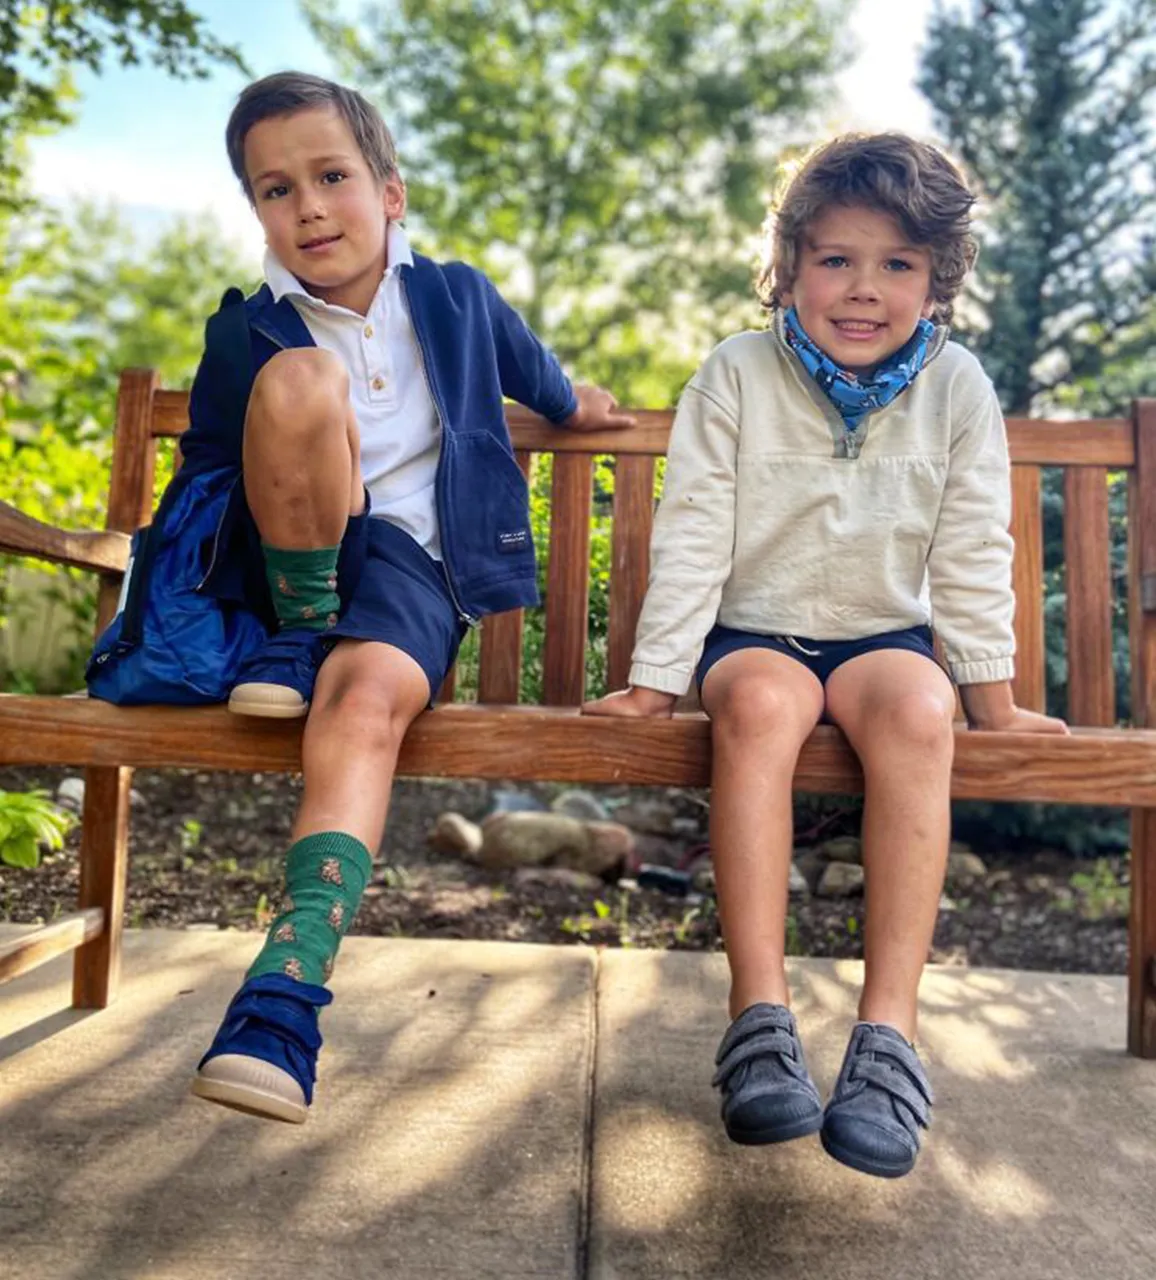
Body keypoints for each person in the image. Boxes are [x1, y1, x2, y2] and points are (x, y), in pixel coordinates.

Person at [583, 133, 1067, 1178]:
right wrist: (658, 680)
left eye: (896, 264)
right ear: (790, 262)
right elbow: (697, 529)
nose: (862, 288)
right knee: (757, 704)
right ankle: (759, 1018)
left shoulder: (957, 386)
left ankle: (887, 1037)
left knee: (914, 712)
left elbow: (974, 543)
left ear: (937, 277)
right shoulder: (738, 371)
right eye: (836, 258)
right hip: (753, 632)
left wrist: (990, 696)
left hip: (883, 639)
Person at [174, 71, 633, 1123]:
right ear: (257, 211)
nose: (309, 207)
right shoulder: (247, 329)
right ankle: (296, 632)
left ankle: (281, 998)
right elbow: (209, 472)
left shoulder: (458, 294)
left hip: (416, 571)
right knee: (296, 383)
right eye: (275, 189)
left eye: (332, 176)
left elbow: (548, 384)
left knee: (366, 693)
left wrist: (585, 406)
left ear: (390, 191)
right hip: (290, 563)